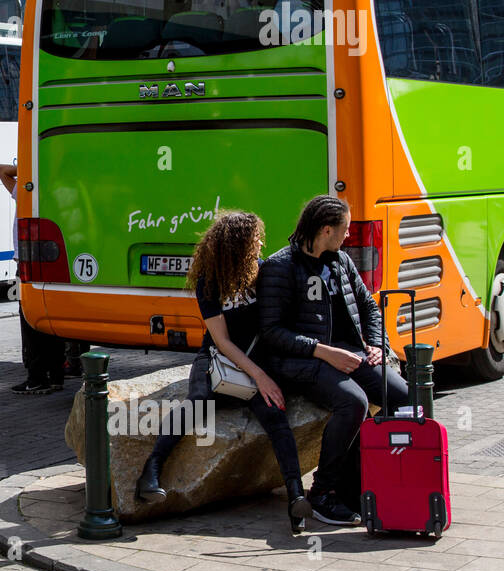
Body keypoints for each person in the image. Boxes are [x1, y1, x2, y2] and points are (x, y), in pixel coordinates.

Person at [134, 212, 310, 532]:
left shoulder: (266, 272)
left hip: (257, 357)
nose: (260, 242)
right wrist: (260, 377)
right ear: (236, 244)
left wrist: (265, 375)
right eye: (254, 238)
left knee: (275, 414)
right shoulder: (210, 282)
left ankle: (296, 495)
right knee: (199, 401)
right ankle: (151, 473)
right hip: (217, 358)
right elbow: (222, 341)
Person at [257, 194, 410, 527]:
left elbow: (369, 306)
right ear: (326, 230)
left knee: (404, 398)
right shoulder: (280, 267)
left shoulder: (340, 260)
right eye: (345, 229)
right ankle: (323, 494)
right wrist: (321, 351)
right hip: (301, 362)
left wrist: (376, 344)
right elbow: (271, 332)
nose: (349, 236)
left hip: (349, 352)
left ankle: (357, 481)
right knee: (353, 403)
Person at [0, 162, 72, 393]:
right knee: (51, 320)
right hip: (52, 258)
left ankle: (37, 376)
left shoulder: (28, 189)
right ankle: (56, 374)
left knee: (29, 320)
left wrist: (27, 163)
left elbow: (1, 170)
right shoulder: (59, 188)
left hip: (29, 261)